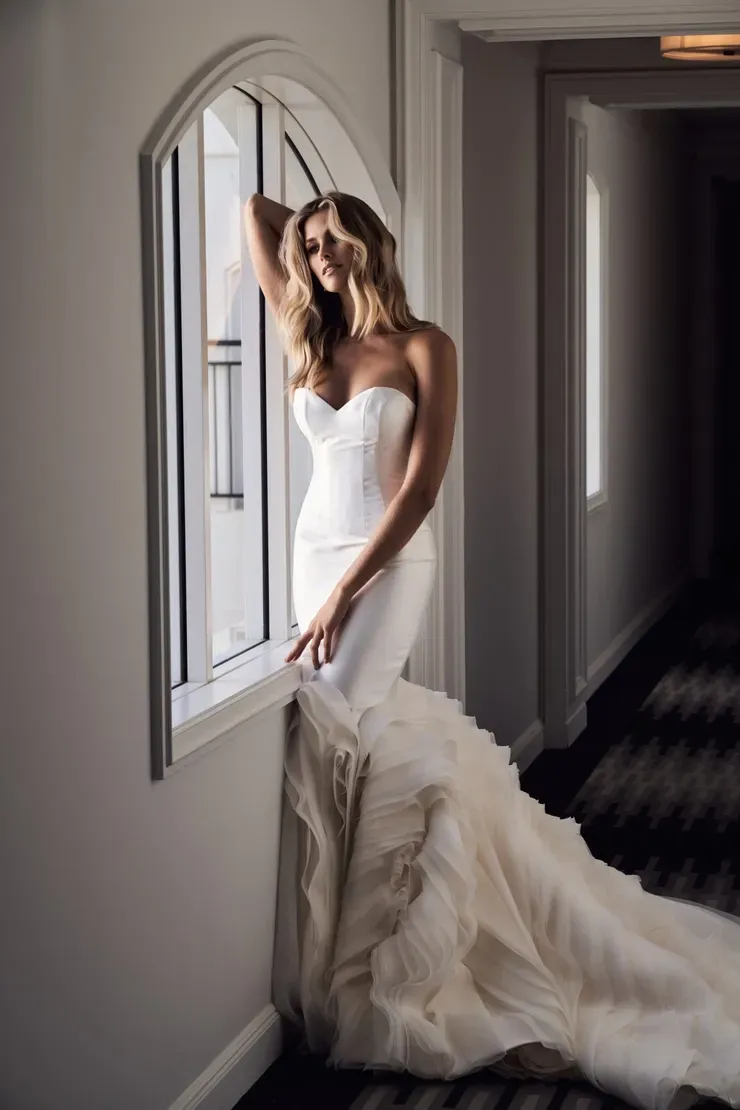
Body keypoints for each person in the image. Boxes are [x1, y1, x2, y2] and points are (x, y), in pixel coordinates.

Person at [244, 190, 740, 1110]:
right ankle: (362, 951)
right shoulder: (310, 334)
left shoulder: (427, 345)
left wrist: (345, 592)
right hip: (308, 561)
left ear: (369, 240)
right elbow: (252, 209)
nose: (318, 255)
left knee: (341, 722)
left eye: (335, 239)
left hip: (385, 566)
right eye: (309, 246)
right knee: (355, 742)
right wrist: (307, 216)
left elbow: (422, 490)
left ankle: (385, 970)